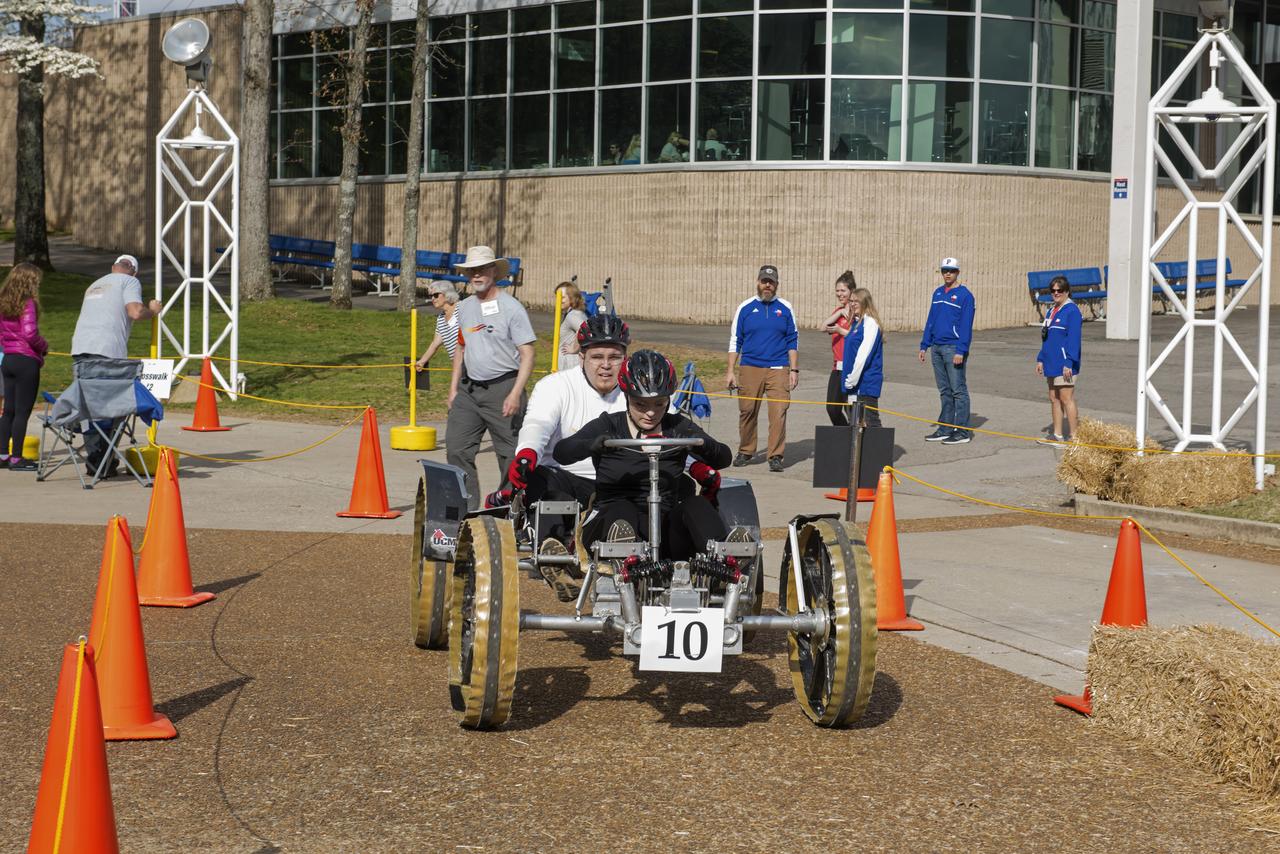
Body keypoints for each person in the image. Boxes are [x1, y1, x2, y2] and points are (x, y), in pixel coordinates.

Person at [554, 349, 732, 561]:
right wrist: (590, 445)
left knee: (695, 504)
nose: (650, 413)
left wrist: (702, 445)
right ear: (627, 397)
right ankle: (628, 556)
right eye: (641, 404)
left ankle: (726, 559)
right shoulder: (609, 425)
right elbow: (561, 452)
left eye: (659, 404)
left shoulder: (678, 427)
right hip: (609, 524)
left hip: (664, 530)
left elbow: (724, 458)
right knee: (622, 508)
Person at [502, 314, 631, 600]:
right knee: (544, 483)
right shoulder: (555, 386)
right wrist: (526, 454)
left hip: (618, 483)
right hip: (564, 478)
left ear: (625, 357)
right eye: (597, 357)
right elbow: (537, 425)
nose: (606, 365)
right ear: (581, 355)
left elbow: (668, 427)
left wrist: (696, 465)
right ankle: (555, 559)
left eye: (614, 357)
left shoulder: (638, 389)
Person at [447, 245, 537, 510]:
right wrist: (453, 389)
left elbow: (528, 353)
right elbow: (460, 349)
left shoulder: (512, 308)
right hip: (468, 390)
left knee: (511, 455)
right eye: (472, 270)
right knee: (456, 448)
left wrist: (515, 393)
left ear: (494, 271)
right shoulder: (464, 307)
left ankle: (506, 508)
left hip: (504, 387)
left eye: (482, 269)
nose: (477, 275)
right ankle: (465, 509)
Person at [71, 254, 163, 474]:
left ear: (113, 267)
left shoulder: (94, 285)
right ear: (134, 271)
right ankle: (103, 461)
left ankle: (97, 461)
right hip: (107, 351)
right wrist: (153, 311)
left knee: (91, 407)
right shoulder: (129, 281)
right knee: (113, 406)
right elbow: (135, 311)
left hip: (80, 350)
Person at [725, 264, 798, 472]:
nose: (767, 285)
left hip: (778, 367)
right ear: (758, 282)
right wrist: (730, 371)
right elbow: (735, 340)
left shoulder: (785, 308)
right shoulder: (745, 308)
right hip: (750, 366)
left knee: (779, 412)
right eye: (764, 281)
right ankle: (746, 451)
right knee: (747, 410)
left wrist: (794, 370)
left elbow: (793, 339)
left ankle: (775, 456)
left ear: (777, 284)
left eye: (771, 282)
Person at [918, 256, 975, 445]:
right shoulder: (938, 293)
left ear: (957, 272)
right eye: (944, 271)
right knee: (944, 390)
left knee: (958, 390)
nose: (947, 274)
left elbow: (966, 326)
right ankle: (945, 428)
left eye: (951, 271)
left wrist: (961, 350)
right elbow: (931, 320)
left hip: (953, 348)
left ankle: (963, 431)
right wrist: (924, 345)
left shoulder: (965, 296)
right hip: (937, 346)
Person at [0, 263, 49, 471]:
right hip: (25, 360)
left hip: (8, 359)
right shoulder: (27, 303)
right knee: (22, 411)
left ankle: (3, 454)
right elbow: (30, 334)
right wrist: (44, 346)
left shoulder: (3, 301)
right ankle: (16, 458)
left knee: (8, 411)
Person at [1035, 275, 1082, 447]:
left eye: (1059, 290)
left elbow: (1074, 339)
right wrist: (1041, 358)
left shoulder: (1072, 311)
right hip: (1051, 361)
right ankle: (1057, 435)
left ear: (1067, 291)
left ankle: (1074, 438)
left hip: (1065, 363)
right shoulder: (1051, 310)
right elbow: (1046, 338)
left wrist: (1069, 362)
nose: (1056, 293)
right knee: (1053, 397)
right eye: (1053, 290)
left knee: (1066, 397)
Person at [841, 288, 885, 428]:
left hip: (865, 384)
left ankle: (878, 445)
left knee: (871, 423)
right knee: (855, 424)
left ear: (865, 303)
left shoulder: (870, 323)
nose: (852, 304)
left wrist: (852, 380)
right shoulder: (857, 322)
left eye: (856, 301)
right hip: (853, 384)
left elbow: (863, 355)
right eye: (851, 301)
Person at [822, 271, 856, 426]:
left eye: (843, 290)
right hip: (837, 367)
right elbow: (823, 327)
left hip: (852, 367)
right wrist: (840, 312)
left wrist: (840, 330)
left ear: (851, 291)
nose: (840, 294)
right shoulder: (838, 312)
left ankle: (855, 437)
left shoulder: (858, 312)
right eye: (837, 290)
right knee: (832, 409)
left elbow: (859, 337)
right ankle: (843, 433)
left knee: (852, 409)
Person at [414, 284, 460, 373]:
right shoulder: (441, 318)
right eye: (431, 296)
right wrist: (422, 362)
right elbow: (435, 344)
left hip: (476, 363)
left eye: (435, 295)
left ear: (447, 294)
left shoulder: (462, 308)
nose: (432, 299)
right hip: (459, 366)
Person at [555, 282, 589, 371]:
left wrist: (574, 349)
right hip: (569, 365)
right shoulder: (574, 313)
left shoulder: (572, 315)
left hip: (569, 366)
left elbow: (585, 329)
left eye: (562, 297)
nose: (558, 300)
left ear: (572, 298)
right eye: (557, 297)